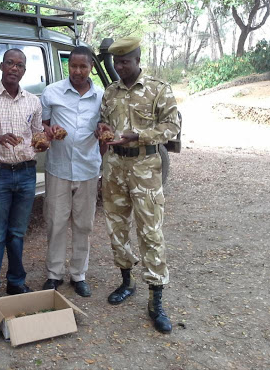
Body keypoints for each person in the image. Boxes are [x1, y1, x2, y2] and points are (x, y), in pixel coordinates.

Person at [97, 37, 180, 334]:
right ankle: (126, 282)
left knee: (150, 231)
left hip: (145, 168)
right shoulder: (110, 92)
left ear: (137, 60)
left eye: (125, 62)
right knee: (117, 227)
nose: (120, 67)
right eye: (116, 63)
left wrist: (138, 136)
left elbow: (172, 128)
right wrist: (104, 129)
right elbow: (104, 122)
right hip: (115, 167)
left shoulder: (158, 89)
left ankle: (156, 299)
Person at [0, 48, 48, 312]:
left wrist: (43, 143)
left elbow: (37, 135)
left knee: (17, 234)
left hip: (26, 172)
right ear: (1, 66)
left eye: (20, 65)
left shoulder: (33, 102)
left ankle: (16, 282)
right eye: (10, 63)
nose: (15, 68)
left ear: (25, 70)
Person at [40, 46, 103, 297]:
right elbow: (42, 123)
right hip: (58, 168)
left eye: (83, 66)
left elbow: (105, 126)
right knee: (55, 222)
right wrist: (48, 131)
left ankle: (79, 274)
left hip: (88, 168)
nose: (77, 71)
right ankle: (54, 274)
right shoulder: (52, 92)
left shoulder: (101, 96)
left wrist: (103, 136)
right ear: (69, 66)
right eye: (73, 66)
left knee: (84, 224)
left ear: (91, 68)